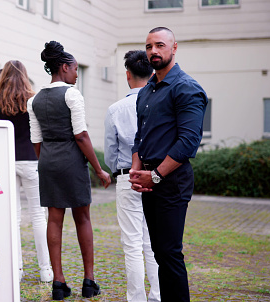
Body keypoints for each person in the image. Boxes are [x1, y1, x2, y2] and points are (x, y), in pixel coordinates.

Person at [129, 27, 207, 302]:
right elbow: (140, 135)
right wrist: (137, 168)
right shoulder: (147, 90)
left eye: (160, 45)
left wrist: (156, 176)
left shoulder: (187, 88)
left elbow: (188, 142)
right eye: (149, 46)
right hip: (150, 179)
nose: (153, 51)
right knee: (160, 252)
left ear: (174, 48)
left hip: (171, 180)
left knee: (170, 252)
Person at [28, 41, 111, 300]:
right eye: (75, 69)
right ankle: (89, 281)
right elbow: (82, 135)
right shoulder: (72, 94)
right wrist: (99, 169)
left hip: (48, 161)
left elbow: (36, 140)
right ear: (64, 67)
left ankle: (59, 283)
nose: (76, 74)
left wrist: (48, 162)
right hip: (72, 162)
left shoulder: (34, 100)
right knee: (82, 218)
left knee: (54, 219)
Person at [104, 50, 160, 302]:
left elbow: (109, 153)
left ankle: (136, 299)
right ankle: (158, 295)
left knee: (132, 244)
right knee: (154, 242)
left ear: (128, 74)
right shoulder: (160, 103)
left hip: (127, 177)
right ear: (152, 73)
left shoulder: (116, 109)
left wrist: (119, 169)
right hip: (157, 176)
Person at [0, 60, 52, 283]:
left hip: (7, 160)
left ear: (3, 76)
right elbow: (41, 133)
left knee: (13, 217)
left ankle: (17, 269)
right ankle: (46, 270)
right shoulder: (33, 101)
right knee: (38, 216)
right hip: (31, 160)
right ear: (25, 76)